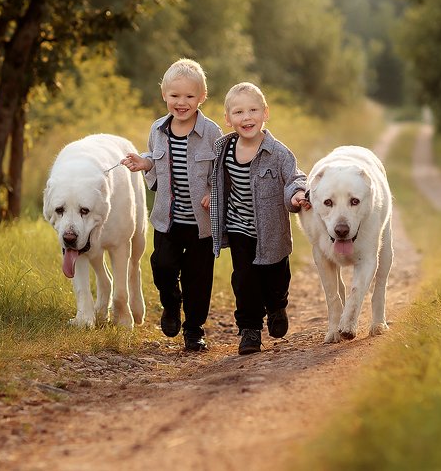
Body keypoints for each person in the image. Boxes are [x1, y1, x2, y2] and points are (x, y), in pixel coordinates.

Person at [122, 59, 222, 352]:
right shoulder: (158, 129)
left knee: (198, 278)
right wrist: (145, 162)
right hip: (168, 218)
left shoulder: (212, 133)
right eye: (175, 96)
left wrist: (213, 193)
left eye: (189, 96)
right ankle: (171, 303)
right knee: (162, 265)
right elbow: (156, 157)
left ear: (202, 97)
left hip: (201, 223)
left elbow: (222, 170)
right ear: (164, 94)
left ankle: (194, 330)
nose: (182, 102)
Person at [208, 82, 310, 355]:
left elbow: (295, 177)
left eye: (253, 110)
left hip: (272, 230)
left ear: (266, 113)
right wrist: (210, 194)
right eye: (239, 112)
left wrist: (297, 196)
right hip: (239, 227)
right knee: (244, 279)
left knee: (276, 278)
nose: (247, 117)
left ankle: (277, 306)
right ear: (228, 119)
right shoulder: (224, 149)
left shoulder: (278, 152)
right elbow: (215, 177)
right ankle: (250, 330)